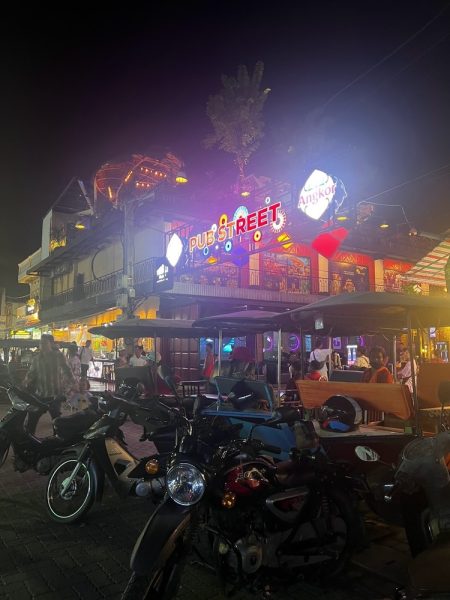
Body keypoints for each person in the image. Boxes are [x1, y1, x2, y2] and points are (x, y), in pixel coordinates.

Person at [23, 334, 76, 433]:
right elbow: (31, 374)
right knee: (32, 420)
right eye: (40, 343)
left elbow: (67, 370)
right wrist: (25, 382)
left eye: (44, 343)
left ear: (51, 344)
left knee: (57, 422)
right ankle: (28, 443)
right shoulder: (36, 359)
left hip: (55, 396)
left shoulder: (58, 356)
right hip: (40, 395)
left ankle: (57, 443)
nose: (41, 345)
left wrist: (74, 383)